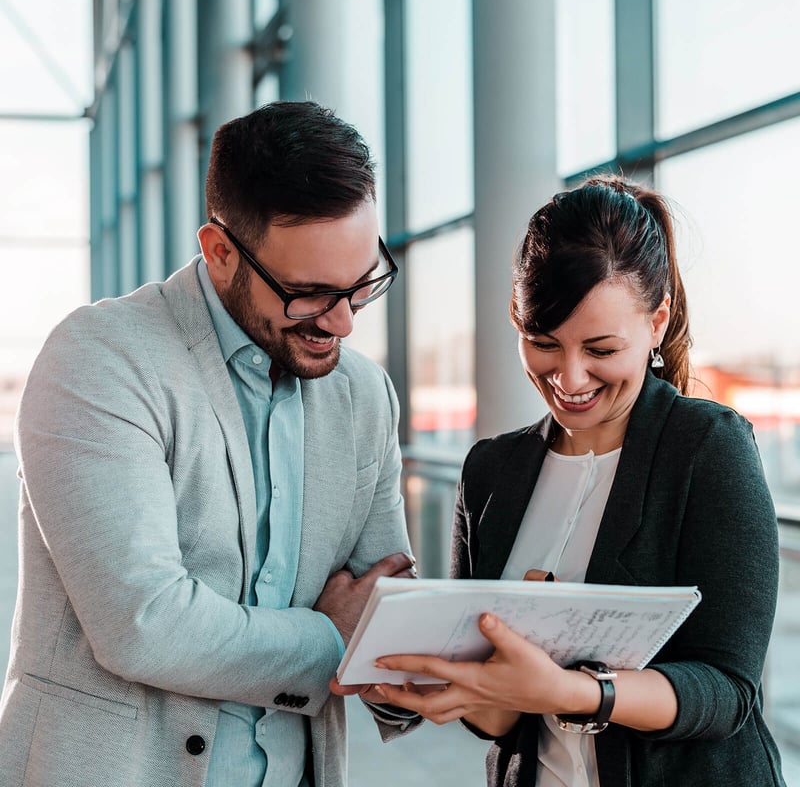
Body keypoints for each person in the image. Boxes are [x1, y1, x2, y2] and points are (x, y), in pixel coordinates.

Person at [0, 100, 418, 787]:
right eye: (310, 293)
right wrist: (334, 640)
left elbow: (381, 607)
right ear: (220, 251)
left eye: (361, 283)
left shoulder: (363, 393)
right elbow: (145, 621)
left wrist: (412, 660)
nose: (342, 322)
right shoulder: (101, 359)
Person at [361, 176, 786, 786]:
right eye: (543, 343)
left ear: (657, 323)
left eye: (600, 349)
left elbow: (728, 692)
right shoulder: (491, 472)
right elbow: (501, 719)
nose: (570, 375)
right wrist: (442, 685)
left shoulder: (707, 448)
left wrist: (573, 690)